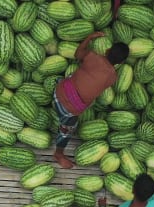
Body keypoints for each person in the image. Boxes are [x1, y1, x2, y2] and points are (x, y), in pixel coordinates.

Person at [52, 32, 130, 169]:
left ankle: (59, 83)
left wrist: (89, 37)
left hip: (57, 93)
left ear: (107, 50)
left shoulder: (92, 56)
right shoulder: (112, 77)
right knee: (67, 130)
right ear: (120, 63)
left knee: (75, 73)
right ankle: (59, 154)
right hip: (68, 111)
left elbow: (78, 53)